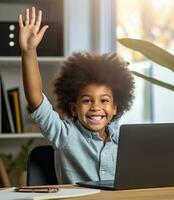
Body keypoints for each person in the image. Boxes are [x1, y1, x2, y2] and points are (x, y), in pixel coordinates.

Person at [18, 7, 135, 184]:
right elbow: (35, 99)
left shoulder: (122, 140)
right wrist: (28, 51)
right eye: (87, 100)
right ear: (74, 108)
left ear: (115, 108)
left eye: (104, 100)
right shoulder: (65, 135)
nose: (96, 107)